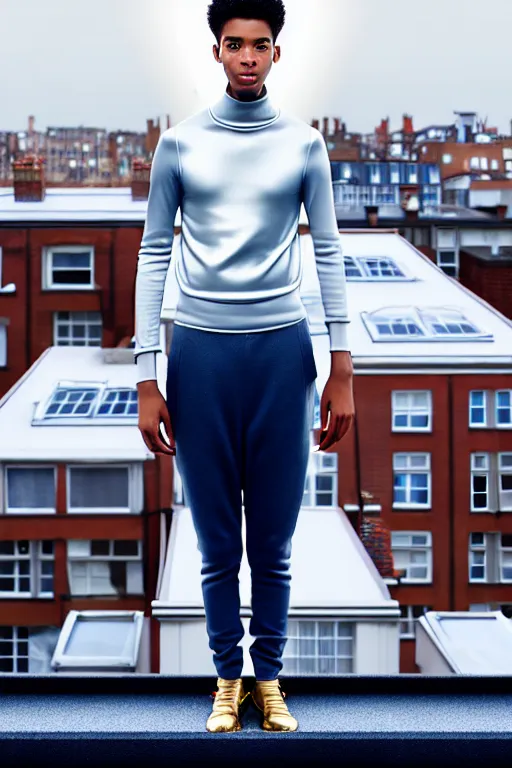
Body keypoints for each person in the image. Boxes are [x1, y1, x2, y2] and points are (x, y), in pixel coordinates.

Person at [134, 0, 354, 734]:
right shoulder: (181, 146)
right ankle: (228, 680)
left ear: (277, 54)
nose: (249, 57)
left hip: (282, 355)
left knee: (275, 540)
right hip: (198, 355)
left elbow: (326, 251)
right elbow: (154, 255)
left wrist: (342, 366)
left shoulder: (304, 146)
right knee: (217, 540)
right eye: (235, 45)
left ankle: (270, 677)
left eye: (262, 45)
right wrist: (146, 375)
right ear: (218, 52)